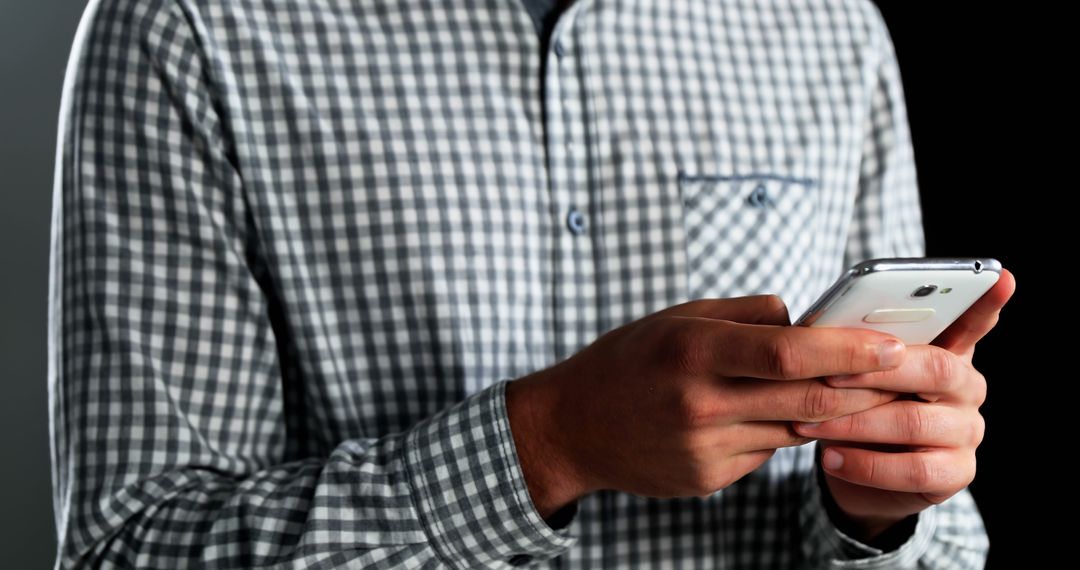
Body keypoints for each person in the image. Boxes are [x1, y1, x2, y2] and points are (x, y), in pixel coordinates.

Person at [48, 0, 1014, 567]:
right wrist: (547, 443)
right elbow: (130, 546)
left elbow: (946, 539)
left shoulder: (828, 25)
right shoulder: (186, 24)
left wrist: (881, 511)